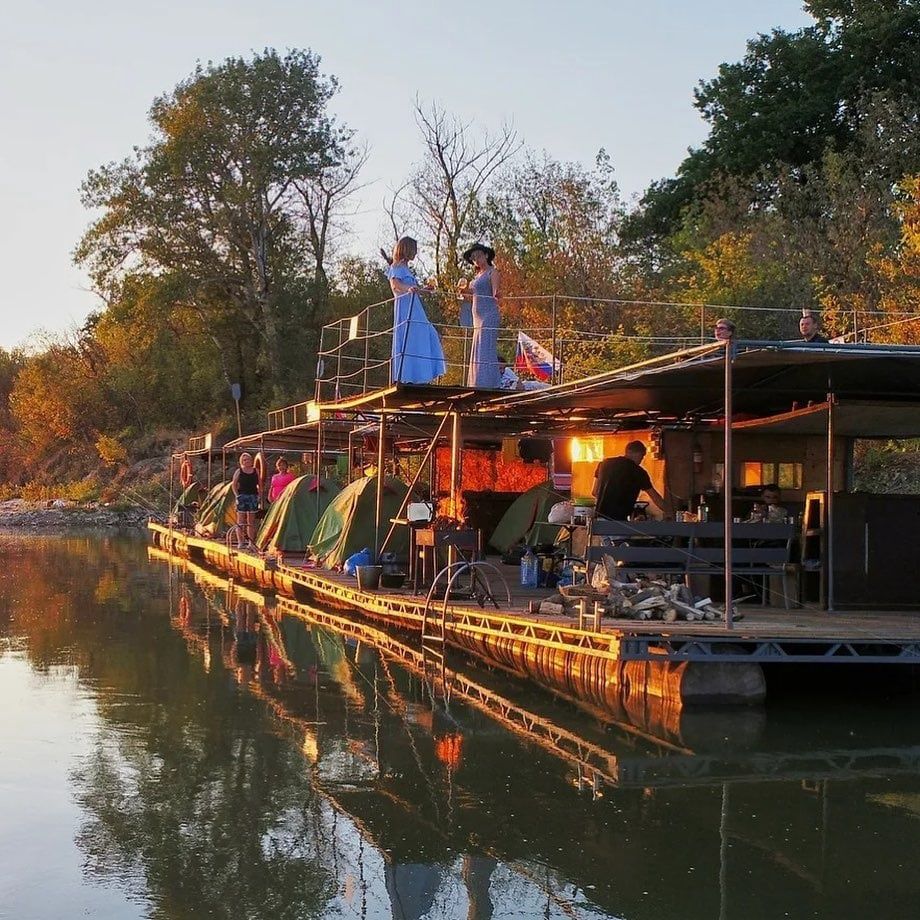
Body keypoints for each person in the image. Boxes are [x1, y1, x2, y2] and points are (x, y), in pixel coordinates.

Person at [386, 237, 447, 384]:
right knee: (411, 339)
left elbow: (413, 290)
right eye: (414, 249)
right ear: (407, 249)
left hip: (415, 308)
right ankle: (408, 376)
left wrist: (424, 290)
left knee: (427, 335)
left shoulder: (406, 269)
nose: (416, 252)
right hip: (406, 309)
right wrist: (409, 288)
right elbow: (396, 285)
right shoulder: (396, 267)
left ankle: (422, 375)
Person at [592, 441, 667, 520]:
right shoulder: (638, 472)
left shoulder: (604, 464)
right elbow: (656, 499)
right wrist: (672, 512)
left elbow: (594, 492)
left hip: (598, 520)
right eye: (642, 456)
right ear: (634, 453)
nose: (642, 459)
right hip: (618, 521)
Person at [461, 243, 501, 388]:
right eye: (473, 258)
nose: (476, 259)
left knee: (486, 348)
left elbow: (495, 291)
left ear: (485, 255)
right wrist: (463, 291)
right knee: (478, 347)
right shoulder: (477, 277)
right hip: (477, 318)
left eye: (478, 255)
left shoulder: (492, 272)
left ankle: (489, 382)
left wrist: (497, 294)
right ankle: (477, 381)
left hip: (488, 315)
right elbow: (472, 295)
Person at [232, 452, 261, 546]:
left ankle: (251, 542)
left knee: (251, 521)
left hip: (253, 496)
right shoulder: (239, 471)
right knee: (240, 520)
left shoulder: (255, 470)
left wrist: (259, 495)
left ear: (251, 460)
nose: (247, 461)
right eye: (244, 460)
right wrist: (237, 496)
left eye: (248, 459)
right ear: (242, 461)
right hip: (242, 496)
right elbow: (234, 485)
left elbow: (260, 484)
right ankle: (241, 542)